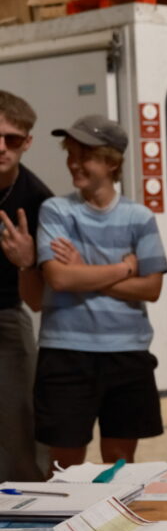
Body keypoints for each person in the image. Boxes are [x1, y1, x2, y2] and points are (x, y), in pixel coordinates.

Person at [33, 115, 167, 531]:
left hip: (127, 353)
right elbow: (59, 279)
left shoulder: (138, 217)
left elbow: (151, 288)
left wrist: (86, 271)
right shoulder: (55, 210)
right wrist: (121, 268)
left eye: (85, 155)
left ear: (112, 162)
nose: (75, 163)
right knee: (65, 466)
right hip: (66, 351)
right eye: (71, 153)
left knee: (118, 463)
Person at [0, 91, 50, 485]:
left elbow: (38, 301)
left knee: (20, 421)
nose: (1, 147)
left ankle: (29, 503)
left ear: (27, 142)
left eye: (12, 139)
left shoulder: (37, 200)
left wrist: (27, 260)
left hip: (6, 312)